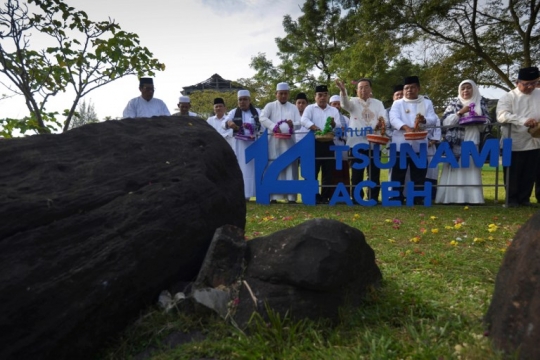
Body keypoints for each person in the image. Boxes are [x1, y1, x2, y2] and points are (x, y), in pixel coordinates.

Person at [435, 80, 491, 204]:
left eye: (468, 88)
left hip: (473, 139)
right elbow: (445, 123)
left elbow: (487, 123)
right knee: (456, 168)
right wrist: (460, 112)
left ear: (474, 89)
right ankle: (451, 198)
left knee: (470, 167)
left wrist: (478, 119)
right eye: (463, 88)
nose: (465, 91)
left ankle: (472, 199)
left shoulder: (480, 102)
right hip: (455, 142)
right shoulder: (454, 103)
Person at [389, 76, 439, 205]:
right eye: (406, 88)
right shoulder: (398, 103)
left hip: (420, 143)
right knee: (398, 172)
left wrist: (424, 120)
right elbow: (393, 118)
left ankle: (417, 198)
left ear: (418, 88)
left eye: (412, 87)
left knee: (419, 172)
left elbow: (433, 119)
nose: (409, 90)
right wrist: (406, 127)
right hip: (401, 144)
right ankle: (396, 198)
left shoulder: (427, 103)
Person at [336, 78, 388, 202]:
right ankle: (356, 198)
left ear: (370, 89)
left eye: (366, 87)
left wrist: (381, 123)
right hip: (357, 143)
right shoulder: (353, 102)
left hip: (374, 142)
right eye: (360, 87)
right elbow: (344, 104)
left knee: (374, 171)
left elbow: (384, 117)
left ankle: (373, 197)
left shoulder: (378, 103)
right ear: (357, 90)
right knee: (357, 172)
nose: (363, 90)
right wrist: (343, 91)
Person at [497, 66, 540, 207]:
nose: (530, 87)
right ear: (517, 82)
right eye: (527, 84)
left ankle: (524, 199)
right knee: (513, 173)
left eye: (534, 83)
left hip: (535, 140)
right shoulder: (508, 97)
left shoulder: (538, 94)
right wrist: (523, 120)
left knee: (530, 172)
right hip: (514, 141)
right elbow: (502, 116)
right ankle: (512, 199)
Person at [260, 82, 302, 203]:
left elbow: (299, 124)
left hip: (289, 144)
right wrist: (273, 126)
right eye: (281, 93)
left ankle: (291, 197)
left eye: (285, 93)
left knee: (290, 168)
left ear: (288, 94)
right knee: (273, 167)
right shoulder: (270, 106)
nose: (283, 96)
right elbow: (262, 118)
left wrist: (292, 124)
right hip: (273, 143)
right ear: (276, 94)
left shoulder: (293, 108)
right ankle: (274, 197)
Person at [301, 85, 341, 204]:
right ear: (315, 97)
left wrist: (333, 124)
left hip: (329, 142)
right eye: (320, 95)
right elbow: (303, 120)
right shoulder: (310, 108)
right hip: (314, 143)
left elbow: (338, 126)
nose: (322, 97)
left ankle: (325, 197)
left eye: (325, 95)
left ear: (328, 96)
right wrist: (314, 127)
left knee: (328, 171)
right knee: (313, 171)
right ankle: (314, 195)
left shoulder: (333, 110)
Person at [223, 90, 262, 201]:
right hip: (239, 146)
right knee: (241, 170)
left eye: (245, 99)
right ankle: (244, 195)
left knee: (255, 170)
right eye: (240, 99)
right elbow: (224, 124)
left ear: (249, 100)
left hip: (255, 145)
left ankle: (257, 193)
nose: (242, 102)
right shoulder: (233, 112)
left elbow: (263, 125)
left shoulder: (257, 112)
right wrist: (229, 123)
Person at [328, 94, 351, 199]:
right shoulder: (327, 117)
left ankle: (345, 194)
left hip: (343, 147)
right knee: (332, 171)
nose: (336, 106)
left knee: (344, 171)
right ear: (330, 105)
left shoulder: (346, 119)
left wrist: (343, 134)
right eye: (334, 104)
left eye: (338, 104)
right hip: (332, 146)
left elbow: (350, 132)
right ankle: (332, 194)